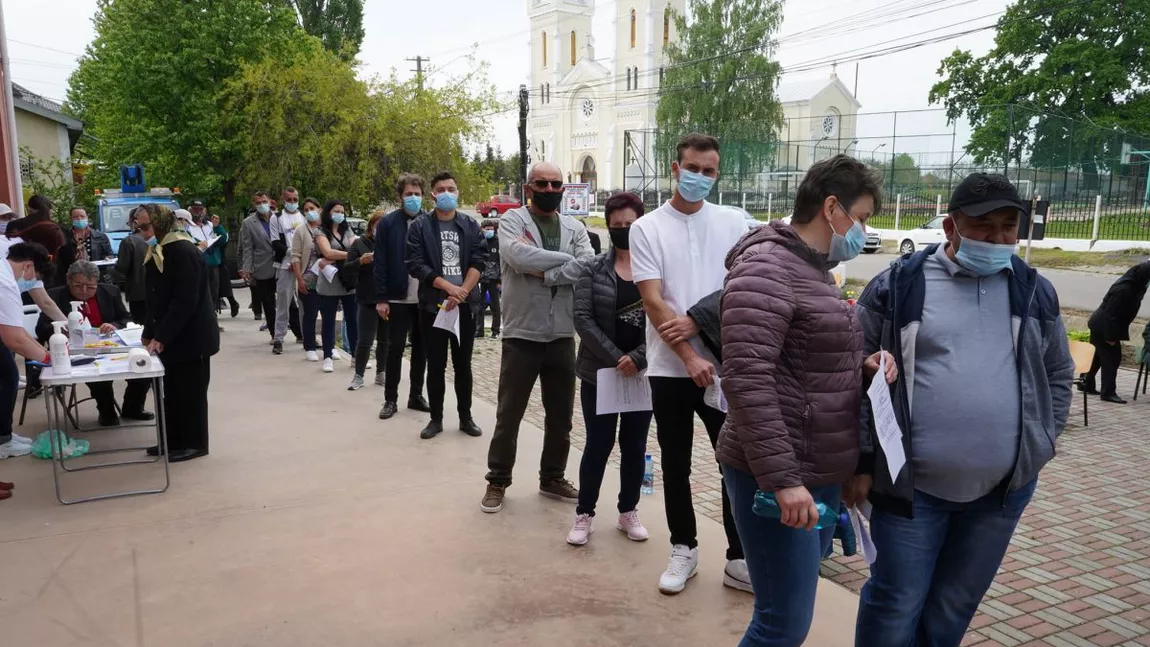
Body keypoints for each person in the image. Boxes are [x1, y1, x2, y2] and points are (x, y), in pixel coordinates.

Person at [852, 172, 1074, 646]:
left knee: (955, 605)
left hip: (1000, 495)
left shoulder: (1035, 291)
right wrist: (860, 461)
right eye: (983, 226)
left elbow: (1057, 374)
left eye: (1008, 227)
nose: (997, 239)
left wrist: (1043, 442)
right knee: (896, 602)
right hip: (911, 492)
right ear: (951, 227)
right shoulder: (897, 285)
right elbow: (849, 374)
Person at [716, 155, 889, 646]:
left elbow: (802, 358)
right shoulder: (767, 268)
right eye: (863, 217)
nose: (862, 230)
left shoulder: (813, 268)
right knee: (781, 622)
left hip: (815, 466)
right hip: (778, 472)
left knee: (790, 615)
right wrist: (784, 481)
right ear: (832, 208)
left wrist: (862, 365)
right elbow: (748, 380)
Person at [628, 133, 749, 594]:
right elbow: (653, 300)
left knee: (733, 464)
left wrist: (699, 326)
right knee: (676, 465)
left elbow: (745, 283)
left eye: (709, 171)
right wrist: (688, 356)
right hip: (668, 369)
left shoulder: (735, 222)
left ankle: (740, 556)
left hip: (725, 366)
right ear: (674, 169)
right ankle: (684, 549)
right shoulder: (648, 228)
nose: (700, 177)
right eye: (692, 168)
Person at [481, 162, 594, 513]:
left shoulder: (575, 226)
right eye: (542, 183)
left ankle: (552, 477)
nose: (549, 189)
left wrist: (543, 272)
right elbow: (516, 255)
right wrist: (565, 263)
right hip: (521, 334)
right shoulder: (513, 221)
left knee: (560, 416)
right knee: (509, 413)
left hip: (561, 334)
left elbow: (588, 264)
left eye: (556, 184)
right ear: (529, 188)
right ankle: (497, 480)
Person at [567, 191, 652, 546]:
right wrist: (619, 357)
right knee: (598, 444)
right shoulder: (592, 268)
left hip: (642, 374)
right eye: (616, 225)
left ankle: (627, 511)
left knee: (634, 445)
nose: (622, 230)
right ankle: (584, 513)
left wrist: (639, 358)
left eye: (629, 224)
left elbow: (667, 318)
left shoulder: (655, 267)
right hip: (599, 372)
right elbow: (583, 319)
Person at [405, 171, 486, 439]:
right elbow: (416, 264)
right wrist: (447, 287)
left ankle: (466, 417)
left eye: (451, 188)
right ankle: (436, 419)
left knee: (463, 365)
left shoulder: (470, 225)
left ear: (458, 191)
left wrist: (461, 291)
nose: (447, 193)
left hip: (463, 306)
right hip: (433, 307)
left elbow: (479, 260)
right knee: (436, 364)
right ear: (433, 194)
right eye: (441, 189)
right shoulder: (420, 227)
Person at [137, 204, 220, 462]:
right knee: (170, 392)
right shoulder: (158, 250)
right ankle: (171, 440)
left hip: (190, 337)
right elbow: (156, 298)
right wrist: (149, 331)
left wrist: (162, 336)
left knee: (190, 393)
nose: (142, 232)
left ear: (161, 223)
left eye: (146, 226)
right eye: (138, 227)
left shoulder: (183, 250)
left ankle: (194, 443)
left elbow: (184, 301)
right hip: (171, 334)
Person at [43, 260, 154, 427]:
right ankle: (106, 411)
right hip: (76, 349)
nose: (84, 291)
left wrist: (114, 325)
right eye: (78, 286)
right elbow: (41, 328)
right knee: (98, 375)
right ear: (68, 279)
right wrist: (62, 331)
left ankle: (133, 407)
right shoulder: (53, 297)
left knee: (141, 367)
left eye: (90, 287)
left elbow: (126, 318)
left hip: (110, 344)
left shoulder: (110, 291)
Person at [374, 175, 430, 419]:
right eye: (409, 194)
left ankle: (416, 395)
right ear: (400, 197)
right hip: (397, 298)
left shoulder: (430, 221)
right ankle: (390, 399)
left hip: (424, 297)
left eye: (417, 194)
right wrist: (382, 298)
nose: (413, 198)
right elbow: (380, 262)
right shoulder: (388, 223)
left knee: (421, 349)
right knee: (395, 348)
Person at [0, 241, 54, 459]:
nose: (31, 283)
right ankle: (3, 440)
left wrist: (47, 354)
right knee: (7, 378)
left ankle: (4, 434)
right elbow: (15, 341)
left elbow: (19, 333)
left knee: (8, 375)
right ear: (28, 266)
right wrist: (51, 360)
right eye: (35, 277)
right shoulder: (5, 283)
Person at [1083, 261, 1150, 403]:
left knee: (1097, 356)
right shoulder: (1124, 289)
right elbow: (1111, 314)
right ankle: (1108, 392)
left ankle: (1086, 383)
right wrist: (1110, 337)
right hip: (1104, 325)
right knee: (1112, 359)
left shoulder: (1134, 284)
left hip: (1100, 323)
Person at [314, 199, 358, 374]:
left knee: (353, 319)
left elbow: (357, 248)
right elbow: (327, 252)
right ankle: (327, 357)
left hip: (348, 281)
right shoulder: (320, 231)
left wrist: (343, 256)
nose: (340, 214)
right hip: (329, 282)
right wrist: (350, 255)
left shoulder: (346, 229)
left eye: (342, 211)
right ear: (328, 212)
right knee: (328, 320)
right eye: (336, 211)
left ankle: (356, 356)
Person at [347, 210, 384, 390]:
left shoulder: (392, 244)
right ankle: (359, 375)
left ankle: (381, 373)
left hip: (388, 297)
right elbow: (347, 268)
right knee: (365, 339)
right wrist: (360, 261)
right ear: (371, 226)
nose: (381, 229)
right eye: (378, 225)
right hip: (367, 297)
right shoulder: (359, 243)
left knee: (385, 339)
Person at [269, 187, 305, 353]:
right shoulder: (276, 218)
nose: (292, 202)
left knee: (307, 303)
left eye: (295, 199)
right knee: (283, 303)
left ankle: (307, 336)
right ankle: (279, 338)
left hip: (304, 266)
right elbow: (276, 243)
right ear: (283, 200)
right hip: (285, 265)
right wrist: (292, 256)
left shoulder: (303, 216)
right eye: (289, 199)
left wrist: (299, 259)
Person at [240, 191, 278, 343]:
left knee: (289, 303)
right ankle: (274, 334)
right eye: (258, 202)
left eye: (264, 201)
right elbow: (247, 248)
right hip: (262, 267)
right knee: (268, 303)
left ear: (270, 201)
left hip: (283, 265)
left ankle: (299, 333)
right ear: (254, 205)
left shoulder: (279, 218)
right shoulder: (248, 223)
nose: (262, 204)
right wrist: (246, 268)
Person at [185, 205, 229, 332]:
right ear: (190, 211)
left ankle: (212, 321)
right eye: (195, 210)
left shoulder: (210, 225)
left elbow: (223, 240)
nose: (198, 212)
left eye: (201, 209)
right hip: (198, 265)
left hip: (213, 264)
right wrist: (199, 245)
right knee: (201, 293)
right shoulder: (186, 226)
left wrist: (217, 227)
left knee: (213, 294)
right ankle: (201, 322)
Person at [292, 198, 324, 361]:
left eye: (312, 208)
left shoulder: (325, 229)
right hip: (309, 278)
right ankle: (310, 346)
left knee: (328, 314)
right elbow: (295, 256)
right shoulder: (301, 231)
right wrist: (299, 279)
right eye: (306, 209)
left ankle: (329, 347)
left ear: (319, 209)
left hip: (327, 279)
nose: (309, 211)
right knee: (310, 314)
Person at [54, 207, 112, 285]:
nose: (79, 219)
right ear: (70, 219)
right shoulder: (64, 237)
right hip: (72, 279)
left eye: (82, 216)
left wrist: (107, 258)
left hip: (96, 277)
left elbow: (109, 254)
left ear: (87, 217)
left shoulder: (100, 236)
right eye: (75, 217)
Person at [115, 207, 150, 324]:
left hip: (137, 292)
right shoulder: (158, 238)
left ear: (134, 222)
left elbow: (122, 268)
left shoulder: (129, 241)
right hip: (156, 291)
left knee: (140, 325)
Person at [475, 218, 502, 339]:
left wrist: (500, 280)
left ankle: (495, 331)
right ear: (482, 229)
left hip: (494, 279)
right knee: (479, 306)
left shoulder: (498, 242)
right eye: (487, 229)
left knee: (495, 306)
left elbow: (502, 262)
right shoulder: (478, 241)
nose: (490, 231)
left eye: (492, 229)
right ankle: (479, 330)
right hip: (480, 278)